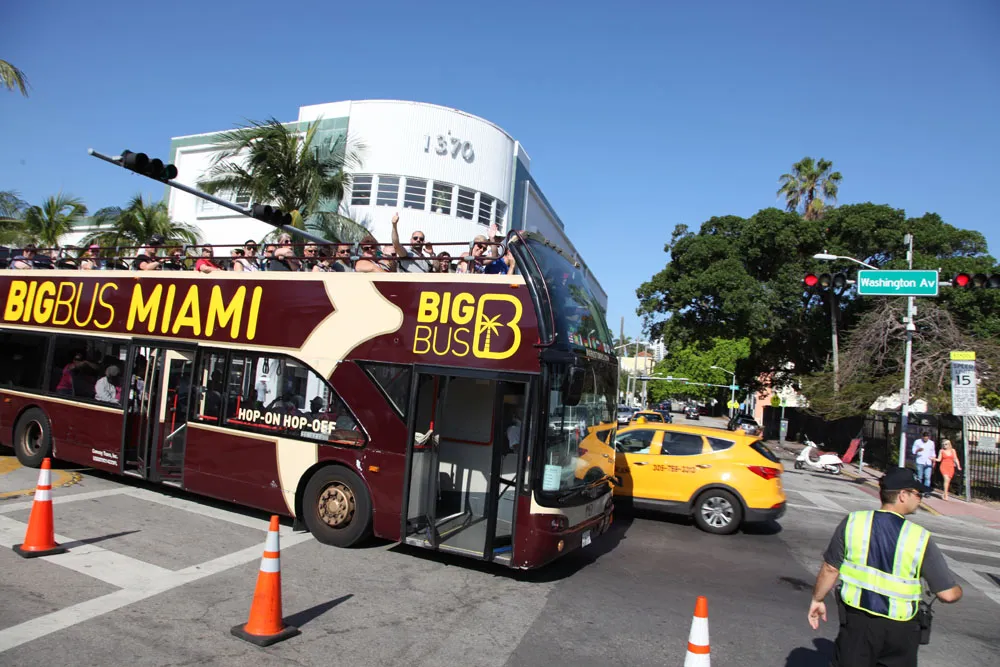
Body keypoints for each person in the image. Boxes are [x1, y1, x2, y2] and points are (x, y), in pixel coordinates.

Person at [808, 467, 963, 666]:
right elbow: (947, 595)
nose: (920, 499)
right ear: (903, 495)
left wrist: (818, 599)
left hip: (858, 623)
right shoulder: (919, 537)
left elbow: (831, 568)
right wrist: (958, 591)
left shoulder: (854, 522)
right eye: (918, 494)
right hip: (901, 632)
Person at [912, 431, 936, 496]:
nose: (926, 439)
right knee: (920, 477)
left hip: (928, 462)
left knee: (927, 477)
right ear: (922, 437)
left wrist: (934, 461)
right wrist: (918, 450)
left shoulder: (931, 443)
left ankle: (926, 491)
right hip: (920, 461)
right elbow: (913, 451)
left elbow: (933, 452)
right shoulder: (917, 442)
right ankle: (919, 490)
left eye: (927, 437)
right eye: (924, 437)